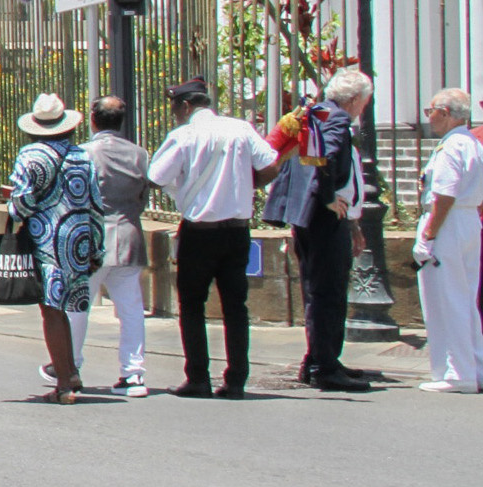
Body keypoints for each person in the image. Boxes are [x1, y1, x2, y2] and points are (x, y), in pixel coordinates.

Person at [147, 77, 285, 398]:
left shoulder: (183, 136)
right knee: (236, 306)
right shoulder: (240, 129)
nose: (173, 114)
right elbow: (271, 165)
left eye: (174, 108)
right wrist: (246, 186)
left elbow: (155, 177)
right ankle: (236, 379)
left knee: (192, 305)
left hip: (199, 232)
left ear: (185, 106)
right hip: (237, 230)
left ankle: (198, 377)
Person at [284, 67, 376, 393]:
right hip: (324, 220)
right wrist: (327, 199)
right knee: (330, 293)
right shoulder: (336, 118)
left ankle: (320, 359)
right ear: (353, 100)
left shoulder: (317, 112)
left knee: (317, 291)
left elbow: (309, 156)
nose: (362, 109)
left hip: (308, 218)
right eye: (363, 103)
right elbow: (322, 158)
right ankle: (325, 366)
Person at [6, 94, 102, 403]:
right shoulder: (83, 156)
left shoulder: (30, 155)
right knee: (70, 308)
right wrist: (96, 249)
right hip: (79, 241)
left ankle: (64, 382)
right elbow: (96, 204)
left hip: (46, 241)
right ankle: (70, 371)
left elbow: (21, 203)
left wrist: (15, 207)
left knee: (52, 310)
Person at [76, 96, 152, 396]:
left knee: (79, 307)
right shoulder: (139, 155)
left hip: (92, 241)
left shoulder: (83, 154)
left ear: (94, 119)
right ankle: (133, 374)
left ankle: (72, 366)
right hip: (129, 234)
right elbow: (143, 196)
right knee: (131, 309)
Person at [415, 89, 483, 393]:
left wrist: (429, 234)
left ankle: (456, 373)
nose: (429, 116)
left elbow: (444, 195)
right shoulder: (470, 143)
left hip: (449, 222)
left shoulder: (452, 147)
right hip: (467, 221)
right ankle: (474, 365)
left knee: (446, 299)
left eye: (432, 111)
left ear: (446, 112)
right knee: (465, 298)